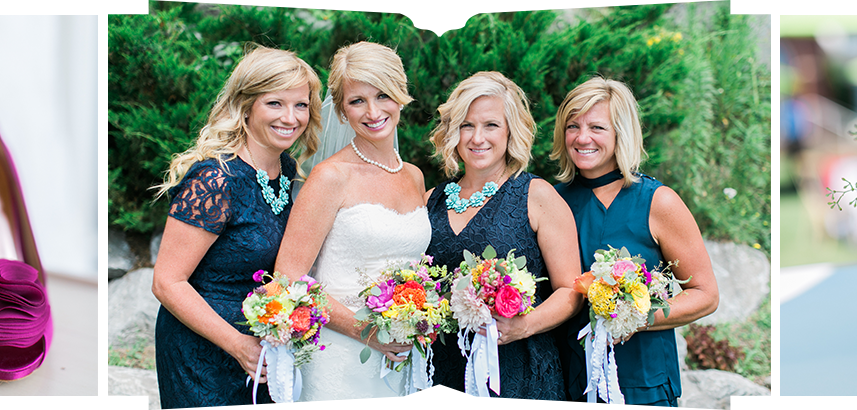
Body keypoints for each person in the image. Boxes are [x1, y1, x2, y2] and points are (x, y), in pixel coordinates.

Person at [149, 46, 322, 410]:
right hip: (203, 352)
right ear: (246, 106)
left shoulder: (285, 170)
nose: (290, 117)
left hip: (260, 350)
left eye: (301, 105)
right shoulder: (215, 179)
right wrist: (238, 345)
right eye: (275, 103)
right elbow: (167, 282)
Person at [272, 41, 430, 410]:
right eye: (357, 101)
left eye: (383, 95)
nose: (373, 111)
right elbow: (289, 278)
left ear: (401, 97)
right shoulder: (330, 178)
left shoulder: (415, 177)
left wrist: (423, 318)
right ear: (341, 111)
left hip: (402, 359)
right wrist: (370, 332)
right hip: (340, 358)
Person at [550, 77, 718, 410]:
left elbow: (705, 295)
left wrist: (633, 317)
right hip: (571, 382)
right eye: (573, 126)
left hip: (642, 382)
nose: (582, 138)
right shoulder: (552, 203)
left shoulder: (659, 202)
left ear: (621, 133)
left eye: (597, 127)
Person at [424, 71, 583, 409]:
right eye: (467, 125)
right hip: (442, 375)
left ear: (511, 131)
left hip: (518, 376)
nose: (477, 137)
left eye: (491, 125)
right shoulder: (429, 200)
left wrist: (523, 326)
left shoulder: (537, 196)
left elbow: (571, 291)